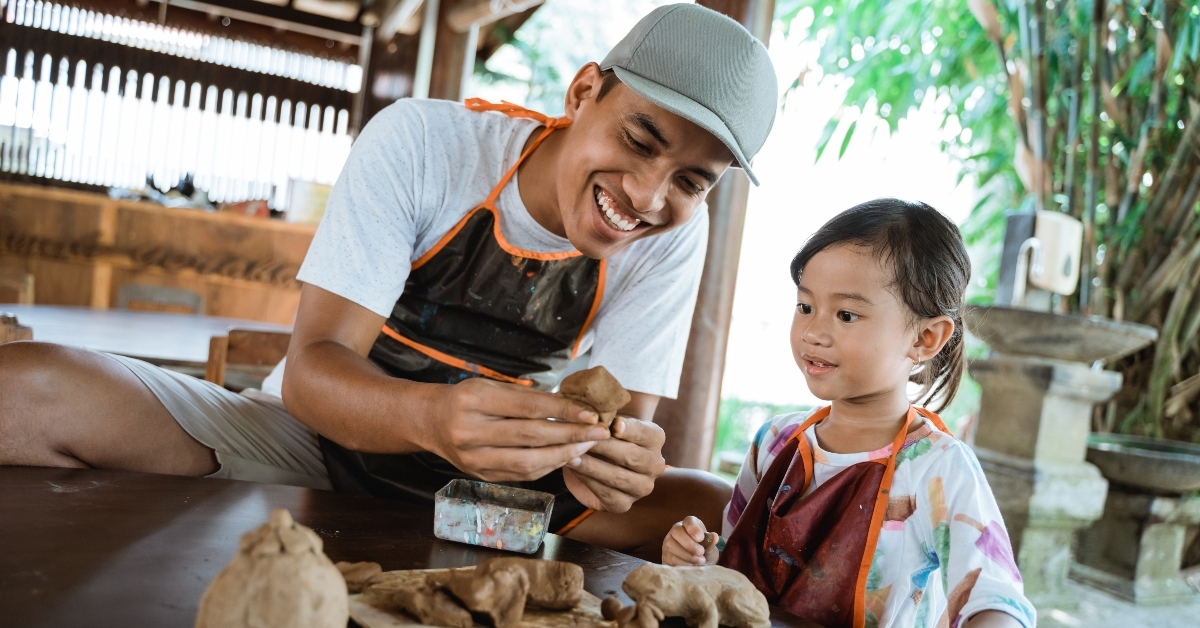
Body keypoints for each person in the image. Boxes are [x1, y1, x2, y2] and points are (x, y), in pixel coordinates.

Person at [0, 4, 778, 559]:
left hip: (497, 501)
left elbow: (617, 440)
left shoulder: (674, 235)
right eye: (639, 140)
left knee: (717, 507)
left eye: (692, 180)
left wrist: (614, 464)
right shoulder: (426, 142)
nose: (646, 197)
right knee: (25, 390)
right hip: (312, 444)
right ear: (582, 94)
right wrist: (436, 419)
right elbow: (312, 373)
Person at [661, 199, 1035, 628]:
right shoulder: (774, 442)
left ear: (926, 338)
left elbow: (997, 600)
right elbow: (731, 562)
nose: (814, 332)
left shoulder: (937, 468)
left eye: (846, 314)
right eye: (805, 307)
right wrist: (699, 557)